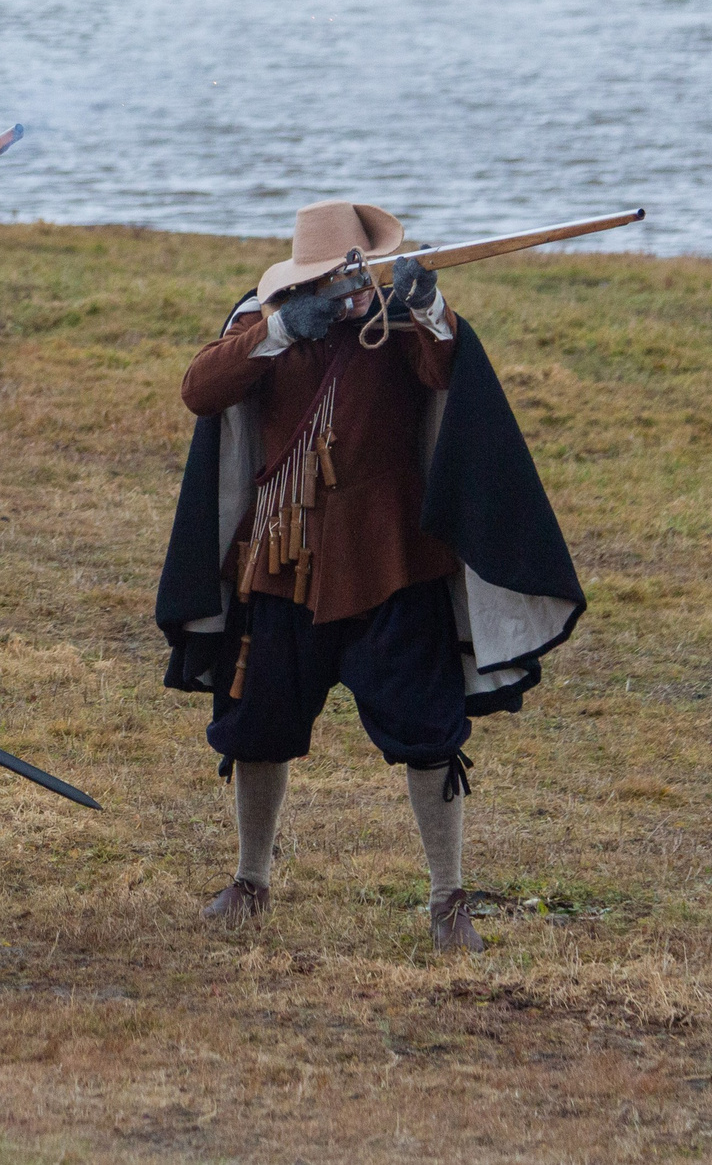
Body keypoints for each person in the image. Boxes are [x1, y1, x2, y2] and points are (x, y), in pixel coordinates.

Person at [155, 200, 587, 952]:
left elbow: (448, 368)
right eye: (326, 281)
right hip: (283, 567)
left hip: (392, 565)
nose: (345, 292)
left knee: (428, 734)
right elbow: (200, 388)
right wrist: (286, 330)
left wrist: (432, 307)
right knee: (257, 729)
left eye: (348, 278)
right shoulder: (267, 323)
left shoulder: (400, 320)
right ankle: (251, 880)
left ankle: (448, 900)